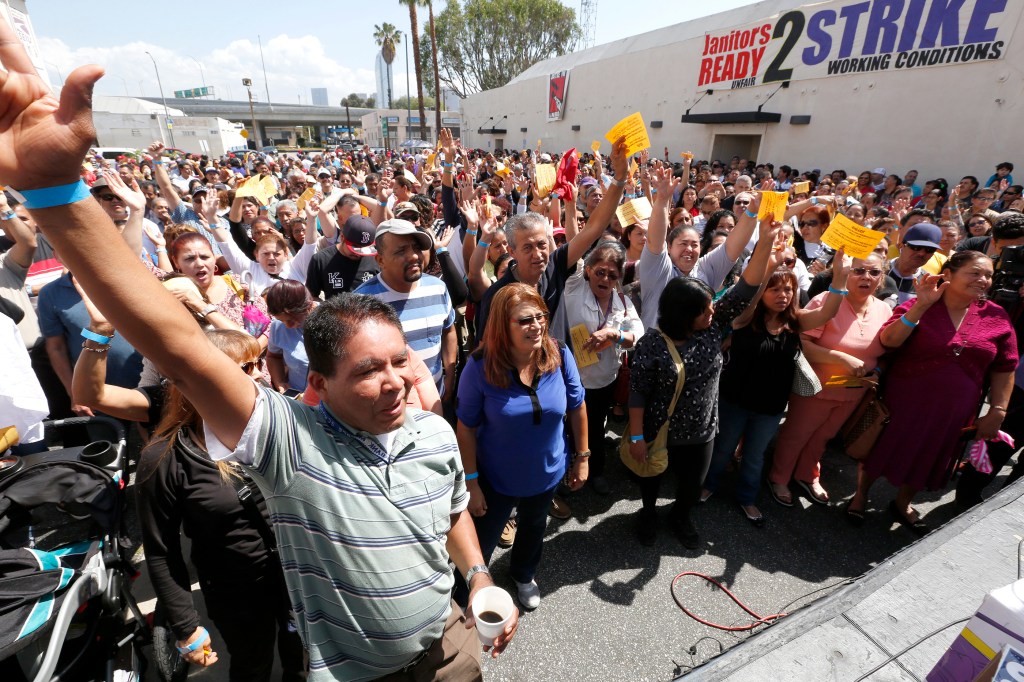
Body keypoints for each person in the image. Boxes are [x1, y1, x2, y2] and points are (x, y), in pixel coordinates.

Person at [2, 43, 517, 677]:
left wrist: (480, 575)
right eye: (367, 370)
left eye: (400, 362)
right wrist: (57, 193)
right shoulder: (292, 444)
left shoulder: (433, 433)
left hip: (452, 653)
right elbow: (180, 346)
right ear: (319, 385)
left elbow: (449, 509)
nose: (396, 382)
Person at [73, 303, 304, 680]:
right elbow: (162, 552)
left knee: (302, 661)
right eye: (248, 368)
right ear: (206, 377)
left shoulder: (282, 421)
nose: (261, 376)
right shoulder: (165, 458)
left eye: (259, 364)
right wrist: (186, 625)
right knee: (253, 664)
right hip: (236, 593)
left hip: (298, 580)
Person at [627, 185, 778, 547]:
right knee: (651, 477)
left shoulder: (711, 328)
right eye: (707, 310)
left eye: (714, 307)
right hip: (658, 427)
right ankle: (648, 513)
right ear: (683, 314)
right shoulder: (652, 343)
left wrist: (765, 243)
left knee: (692, 482)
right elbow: (638, 391)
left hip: (702, 429)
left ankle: (681, 517)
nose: (716, 313)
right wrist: (635, 436)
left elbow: (745, 288)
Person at [847, 252, 1017, 532]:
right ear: (948, 274)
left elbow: (1005, 366)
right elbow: (888, 340)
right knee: (881, 446)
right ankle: (861, 494)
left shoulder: (996, 317)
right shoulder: (921, 303)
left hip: (955, 410)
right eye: (975, 273)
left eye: (988, 275)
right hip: (904, 400)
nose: (983, 280)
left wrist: (998, 410)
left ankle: (903, 503)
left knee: (931, 453)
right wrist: (921, 306)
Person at [455, 283, 589, 609]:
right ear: (503, 325)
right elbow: (466, 428)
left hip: (547, 472)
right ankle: (466, 598)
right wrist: (470, 483)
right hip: (495, 479)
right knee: (482, 542)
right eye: (525, 320)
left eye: (540, 316)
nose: (537, 326)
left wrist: (582, 457)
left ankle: (523, 574)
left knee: (533, 526)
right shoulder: (479, 367)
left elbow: (577, 406)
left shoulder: (560, 354)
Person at [702, 246, 849, 525]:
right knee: (723, 448)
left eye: (789, 289)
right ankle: (708, 485)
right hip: (734, 400)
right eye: (776, 290)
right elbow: (752, 298)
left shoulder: (795, 323)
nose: (783, 295)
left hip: (770, 408)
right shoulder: (744, 320)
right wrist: (770, 266)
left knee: (754, 457)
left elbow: (828, 312)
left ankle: (746, 498)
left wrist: (840, 276)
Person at [768, 253, 892, 506]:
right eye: (858, 270)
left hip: (853, 392)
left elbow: (885, 349)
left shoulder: (884, 309)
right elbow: (800, 343)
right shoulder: (825, 302)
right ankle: (778, 477)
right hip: (815, 387)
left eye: (874, 272)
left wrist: (876, 371)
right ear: (845, 272)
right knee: (796, 434)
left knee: (824, 436)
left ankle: (807, 474)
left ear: (881, 278)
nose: (866, 277)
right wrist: (841, 359)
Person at [552, 240, 644, 494]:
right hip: (567, 377)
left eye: (612, 275)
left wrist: (614, 335)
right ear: (588, 270)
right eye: (600, 271)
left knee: (594, 425)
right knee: (563, 426)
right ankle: (561, 475)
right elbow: (575, 244)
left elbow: (637, 332)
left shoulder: (622, 302)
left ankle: (596, 471)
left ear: (618, 279)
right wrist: (569, 206)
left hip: (604, 379)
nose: (604, 278)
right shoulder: (573, 287)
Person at [354, 218, 457, 395]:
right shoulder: (361, 302)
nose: (414, 256)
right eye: (401, 251)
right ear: (380, 260)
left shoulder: (438, 288)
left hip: (436, 399)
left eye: (416, 248)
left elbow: (449, 331)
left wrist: (449, 375)